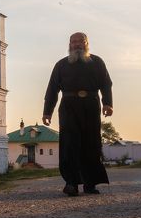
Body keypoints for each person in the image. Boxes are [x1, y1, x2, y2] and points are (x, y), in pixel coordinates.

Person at [42, 32, 113, 196]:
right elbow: (52, 89)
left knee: (91, 144)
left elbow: (106, 84)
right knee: (69, 144)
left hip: (91, 105)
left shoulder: (97, 62)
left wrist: (108, 103)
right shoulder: (61, 65)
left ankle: (90, 184)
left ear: (87, 43)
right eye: (73, 42)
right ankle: (71, 183)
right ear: (69, 44)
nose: (77, 44)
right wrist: (47, 112)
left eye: (81, 41)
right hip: (68, 106)